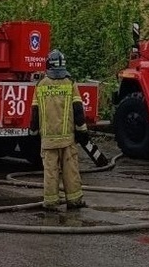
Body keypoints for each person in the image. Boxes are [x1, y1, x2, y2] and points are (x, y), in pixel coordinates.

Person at [29, 49, 90, 211]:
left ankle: (50, 202)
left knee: (50, 172)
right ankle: (74, 200)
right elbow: (78, 110)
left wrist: (33, 132)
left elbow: (34, 113)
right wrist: (82, 131)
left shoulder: (40, 85)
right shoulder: (70, 83)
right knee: (71, 170)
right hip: (67, 139)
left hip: (48, 140)